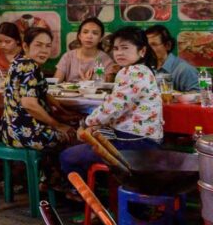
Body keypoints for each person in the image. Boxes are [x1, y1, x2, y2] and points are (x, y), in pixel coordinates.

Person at [60, 26, 163, 182]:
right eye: (116, 48)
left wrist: (86, 121)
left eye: (125, 48)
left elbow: (113, 108)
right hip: (142, 140)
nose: (119, 53)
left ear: (142, 51)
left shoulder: (133, 71)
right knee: (85, 142)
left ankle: (86, 199)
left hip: (134, 143)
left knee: (68, 156)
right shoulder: (143, 70)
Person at [0, 27, 75, 187]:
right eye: (39, 45)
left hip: (10, 131)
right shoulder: (30, 67)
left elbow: (42, 92)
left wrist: (63, 111)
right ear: (26, 46)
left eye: (48, 46)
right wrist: (58, 124)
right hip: (26, 133)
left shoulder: (19, 62)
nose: (44, 50)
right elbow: (30, 104)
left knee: (68, 126)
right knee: (72, 135)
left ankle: (46, 179)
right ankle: (62, 185)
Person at [54, 18, 113, 82]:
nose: (89, 36)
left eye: (95, 33)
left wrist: (87, 84)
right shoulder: (68, 57)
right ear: (79, 36)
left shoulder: (106, 60)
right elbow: (56, 83)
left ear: (100, 38)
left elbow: (107, 87)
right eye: (85, 32)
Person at [145, 25, 199, 93]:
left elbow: (197, 96)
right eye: (147, 45)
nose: (148, 49)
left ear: (168, 45)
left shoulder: (184, 69)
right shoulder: (145, 67)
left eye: (154, 44)